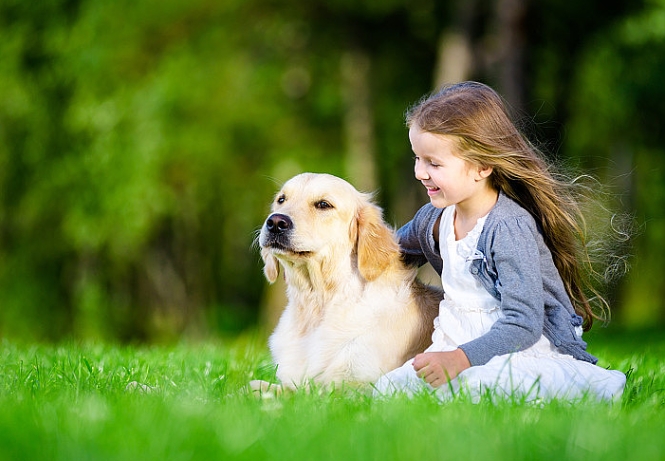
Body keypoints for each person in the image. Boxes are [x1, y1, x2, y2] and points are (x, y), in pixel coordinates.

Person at [374, 81, 626, 402]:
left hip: (522, 351)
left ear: (482, 167)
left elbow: (523, 325)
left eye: (434, 163)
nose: (420, 173)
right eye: (417, 159)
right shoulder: (433, 220)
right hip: (454, 348)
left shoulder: (508, 227)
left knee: (478, 391)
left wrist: (459, 359)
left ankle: (589, 385)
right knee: (389, 390)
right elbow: (389, 256)